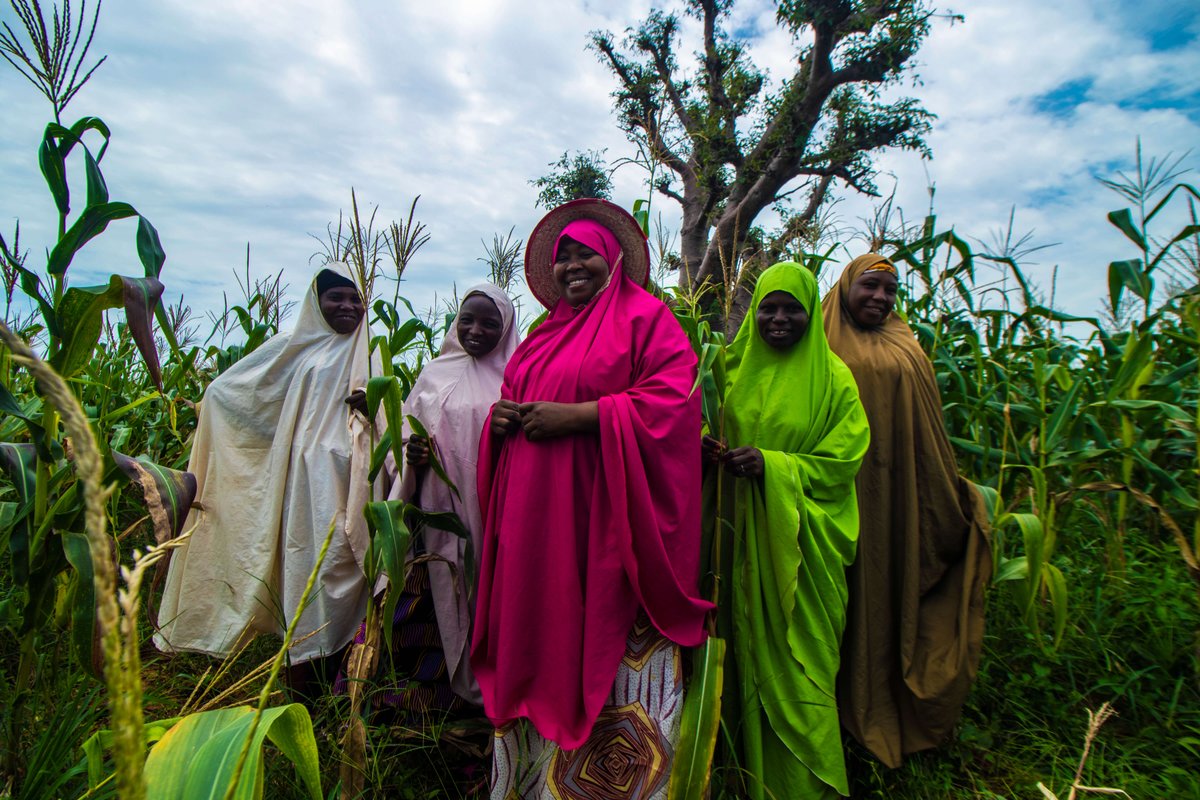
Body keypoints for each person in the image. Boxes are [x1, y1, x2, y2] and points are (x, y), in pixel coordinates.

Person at [473, 199, 712, 799]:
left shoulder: (648, 320)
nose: (573, 265)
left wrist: (579, 418)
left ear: (612, 261)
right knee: (543, 626)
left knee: (601, 625)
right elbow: (515, 395)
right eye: (564, 257)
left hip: (608, 524)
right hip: (539, 523)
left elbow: (672, 408)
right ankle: (532, 785)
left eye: (586, 254)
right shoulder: (538, 337)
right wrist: (499, 423)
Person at [155, 262, 382, 697]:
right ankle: (300, 692)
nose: (348, 306)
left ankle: (340, 687)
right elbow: (229, 394)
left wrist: (373, 408)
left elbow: (394, 422)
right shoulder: (293, 348)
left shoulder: (369, 354)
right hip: (302, 491)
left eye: (356, 298)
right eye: (337, 297)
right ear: (317, 303)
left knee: (340, 578)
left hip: (351, 486)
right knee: (306, 580)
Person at [703, 261, 869, 800]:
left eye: (792, 308)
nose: (778, 319)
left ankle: (800, 785)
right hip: (732, 544)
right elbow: (698, 421)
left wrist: (774, 467)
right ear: (753, 314)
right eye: (768, 308)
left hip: (798, 549)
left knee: (802, 670)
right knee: (734, 653)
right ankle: (734, 774)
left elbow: (842, 462)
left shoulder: (834, 381)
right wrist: (705, 442)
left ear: (810, 312)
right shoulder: (729, 369)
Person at [822, 253, 992, 769]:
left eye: (889, 291)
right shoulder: (823, 341)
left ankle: (884, 710)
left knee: (886, 591)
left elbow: (927, 430)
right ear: (847, 287)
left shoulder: (906, 343)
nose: (879, 298)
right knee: (843, 605)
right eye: (869, 286)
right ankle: (833, 717)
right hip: (840, 494)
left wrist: (949, 492)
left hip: (897, 499)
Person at [382, 284, 520, 711]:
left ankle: (468, 708)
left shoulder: (515, 379)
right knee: (422, 599)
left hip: (481, 515)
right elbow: (399, 435)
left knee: (474, 594)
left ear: (507, 329)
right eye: (467, 320)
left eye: (489, 323)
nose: (475, 330)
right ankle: (412, 710)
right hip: (425, 517)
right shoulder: (434, 373)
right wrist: (411, 455)